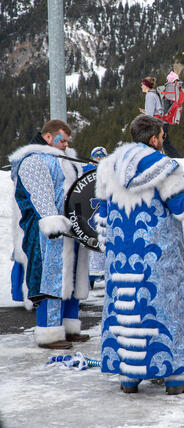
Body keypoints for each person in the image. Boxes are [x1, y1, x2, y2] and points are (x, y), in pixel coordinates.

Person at [96, 114, 184, 395]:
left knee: (126, 308)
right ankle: (175, 376)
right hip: (158, 258)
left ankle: (129, 376)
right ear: (155, 138)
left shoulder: (107, 166)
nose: (163, 141)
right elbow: (181, 208)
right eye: (163, 136)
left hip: (121, 260)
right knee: (164, 307)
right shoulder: (165, 167)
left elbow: (102, 217)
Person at [9, 119, 90, 349]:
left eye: (66, 141)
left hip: (71, 228)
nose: (65, 144)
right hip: (45, 230)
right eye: (61, 140)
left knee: (70, 279)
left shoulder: (66, 160)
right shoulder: (34, 161)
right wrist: (53, 223)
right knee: (50, 279)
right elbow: (40, 196)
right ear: (48, 137)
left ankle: (68, 328)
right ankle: (50, 332)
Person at [84, 146, 108, 286]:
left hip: (103, 212)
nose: (98, 158)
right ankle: (89, 280)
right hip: (89, 212)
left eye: (101, 156)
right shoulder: (86, 169)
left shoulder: (108, 171)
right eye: (96, 156)